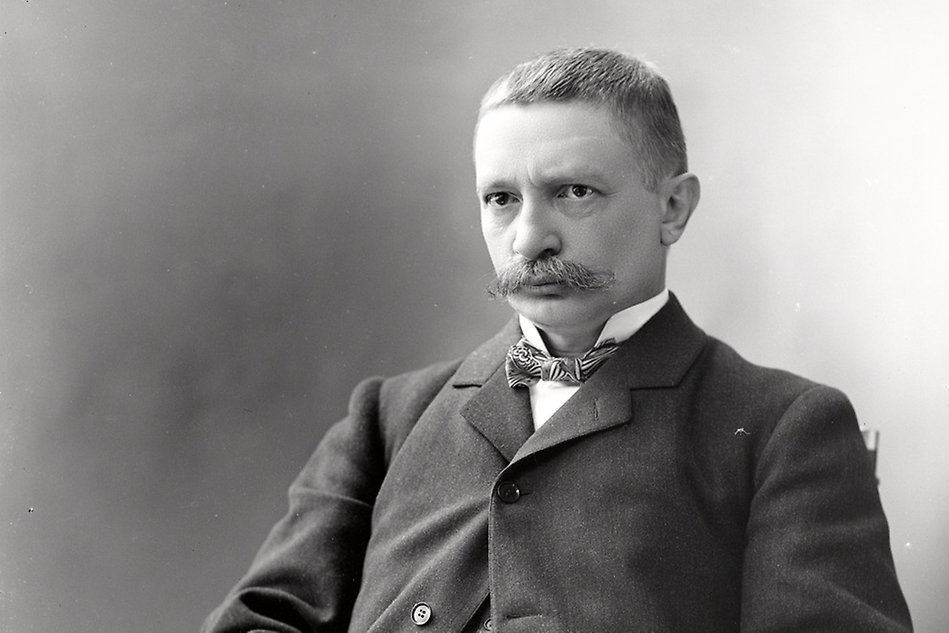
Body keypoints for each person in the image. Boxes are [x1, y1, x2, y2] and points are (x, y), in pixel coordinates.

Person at [203, 48, 912, 632]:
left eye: (573, 192)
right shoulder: (387, 418)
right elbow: (263, 621)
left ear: (672, 207)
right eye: (501, 198)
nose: (528, 238)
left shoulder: (781, 426)